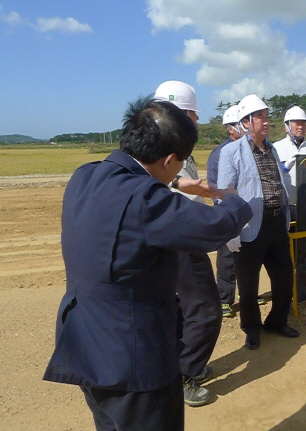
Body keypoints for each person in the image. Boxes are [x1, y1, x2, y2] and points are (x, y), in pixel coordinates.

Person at [43, 96, 252, 431]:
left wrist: (176, 182)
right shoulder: (145, 199)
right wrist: (235, 202)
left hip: (85, 343)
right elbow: (214, 228)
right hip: (134, 359)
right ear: (170, 159)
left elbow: (144, 185)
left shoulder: (85, 175)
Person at [153, 80, 221, 407]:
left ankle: (180, 365)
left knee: (181, 307)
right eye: (192, 116)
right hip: (180, 238)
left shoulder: (162, 149)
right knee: (206, 308)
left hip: (171, 237)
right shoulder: (169, 149)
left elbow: (164, 180)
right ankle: (186, 375)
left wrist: (186, 184)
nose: (196, 122)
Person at [217, 94, 299, 351]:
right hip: (249, 227)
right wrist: (230, 229)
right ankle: (251, 328)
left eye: (266, 116)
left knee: (285, 279)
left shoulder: (272, 149)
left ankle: (276, 321)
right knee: (249, 286)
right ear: (246, 122)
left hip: (276, 224)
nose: (265, 122)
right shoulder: (231, 152)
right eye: (260, 117)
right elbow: (224, 191)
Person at [207, 105, 266, 318]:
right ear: (230, 128)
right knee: (227, 258)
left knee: (247, 260)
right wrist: (226, 209)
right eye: (237, 126)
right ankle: (224, 298)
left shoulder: (248, 149)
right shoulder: (221, 153)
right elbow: (215, 186)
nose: (241, 129)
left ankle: (245, 294)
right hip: (228, 211)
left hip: (247, 213)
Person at [273, 106, 306, 274]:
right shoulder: (276, 148)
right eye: (296, 123)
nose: (300, 126)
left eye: (303, 123)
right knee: (290, 245)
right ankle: (293, 280)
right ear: (286, 126)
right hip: (290, 206)